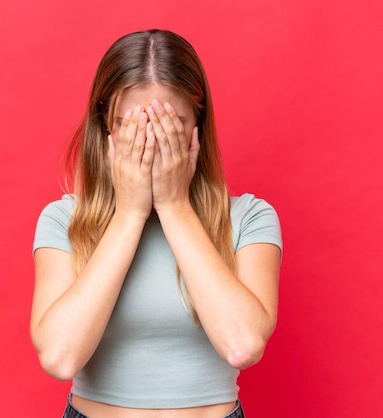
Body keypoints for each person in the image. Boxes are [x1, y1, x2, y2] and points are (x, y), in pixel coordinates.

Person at [31, 29, 282, 418]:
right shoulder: (64, 220)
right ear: (107, 128)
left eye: (170, 124)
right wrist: (129, 213)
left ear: (198, 126)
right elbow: (60, 358)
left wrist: (174, 204)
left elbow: (243, 345)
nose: (151, 142)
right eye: (134, 126)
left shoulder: (250, 218)